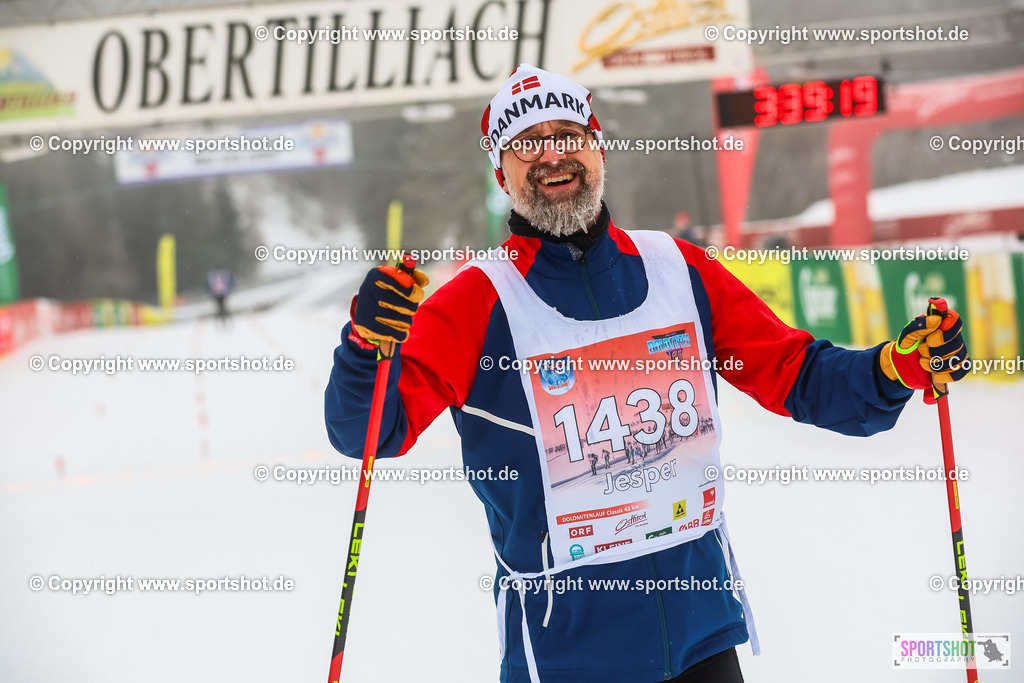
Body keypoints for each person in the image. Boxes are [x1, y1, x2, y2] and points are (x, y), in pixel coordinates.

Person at [324, 64, 970, 683]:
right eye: (527, 145)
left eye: (568, 135)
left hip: (700, 635)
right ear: (502, 170)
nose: (552, 155)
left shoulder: (677, 269)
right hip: (566, 654)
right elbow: (368, 430)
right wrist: (365, 343)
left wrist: (893, 366)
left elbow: (794, 373)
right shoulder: (474, 300)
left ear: (598, 146)